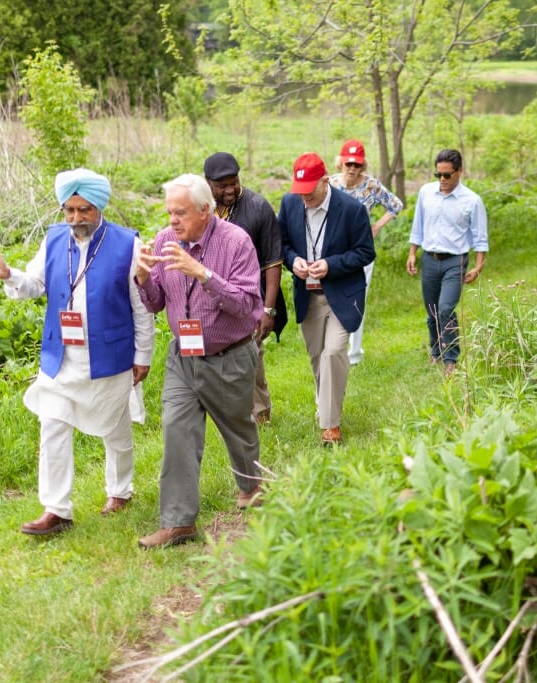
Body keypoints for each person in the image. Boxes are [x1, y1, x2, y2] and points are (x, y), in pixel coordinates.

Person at [0, 168, 155, 536]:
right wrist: (7, 273)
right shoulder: (55, 239)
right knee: (52, 423)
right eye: (69, 210)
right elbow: (35, 284)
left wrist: (143, 356)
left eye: (84, 210)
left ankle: (120, 490)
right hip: (61, 357)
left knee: (115, 428)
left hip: (110, 356)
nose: (76, 219)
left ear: (99, 207)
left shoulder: (127, 244)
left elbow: (142, 306)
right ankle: (57, 509)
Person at [134, 173, 264, 549]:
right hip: (183, 357)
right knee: (176, 430)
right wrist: (143, 277)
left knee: (238, 429)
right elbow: (156, 301)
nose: (172, 221)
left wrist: (204, 275)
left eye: (181, 213)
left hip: (230, 356)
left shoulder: (236, 242)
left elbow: (246, 306)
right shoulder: (164, 240)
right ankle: (179, 522)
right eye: (169, 213)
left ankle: (251, 485)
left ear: (205, 211)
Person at [278, 153, 375, 446]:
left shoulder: (352, 210)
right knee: (318, 358)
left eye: (309, 192)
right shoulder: (290, 202)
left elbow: (365, 252)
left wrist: (331, 264)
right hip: (307, 296)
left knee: (333, 353)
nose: (304, 198)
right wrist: (293, 261)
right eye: (300, 192)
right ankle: (327, 406)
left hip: (341, 296)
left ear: (325, 182)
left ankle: (330, 427)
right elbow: (281, 244)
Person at [203, 152, 287, 424]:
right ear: (208, 183)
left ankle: (259, 412)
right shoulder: (201, 208)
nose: (230, 190)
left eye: (234, 182)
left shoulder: (258, 207)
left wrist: (268, 308)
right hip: (210, 298)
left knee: (250, 356)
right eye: (222, 185)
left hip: (249, 299)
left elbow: (273, 261)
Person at [406, 149, 488, 376]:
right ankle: (436, 352)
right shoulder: (426, 193)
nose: (442, 180)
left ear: (459, 171)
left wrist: (478, 266)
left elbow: (480, 237)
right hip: (429, 259)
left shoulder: (472, 201)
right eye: (438, 175)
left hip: (455, 260)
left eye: (447, 175)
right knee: (432, 311)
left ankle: (451, 357)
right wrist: (412, 253)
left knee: (445, 309)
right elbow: (418, 227)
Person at [328, 139, 403, 366]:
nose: (352, 168)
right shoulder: (330, 184)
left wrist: (377, 226)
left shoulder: (371, 185)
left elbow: (396, 205)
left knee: (357, 299)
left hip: (361, 250)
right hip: (334, 251)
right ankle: (334, 345)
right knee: (331, 297)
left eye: (357, 165)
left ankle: (355, 353)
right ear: (340, 162)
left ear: (363, 166)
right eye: (348, 163)